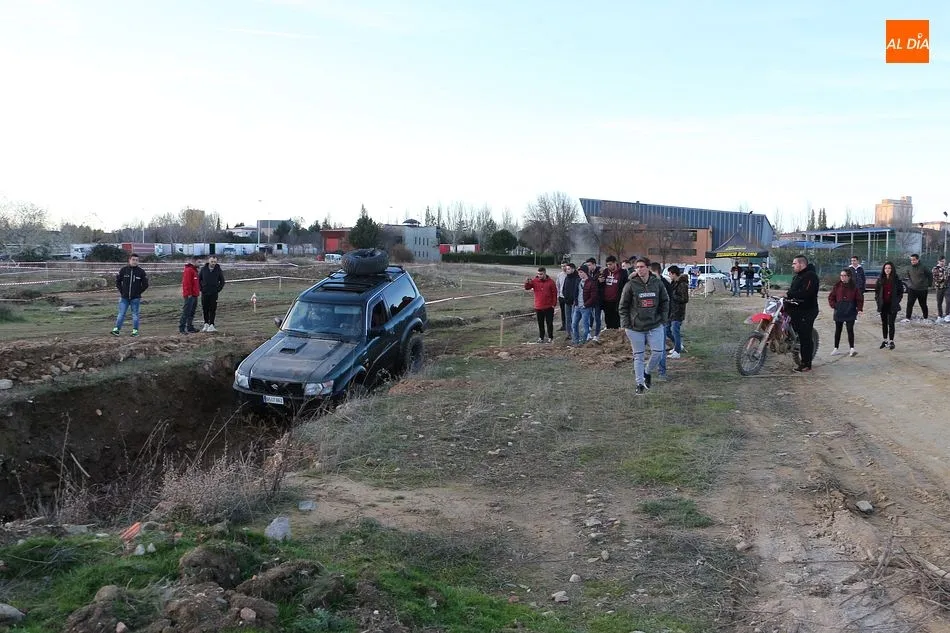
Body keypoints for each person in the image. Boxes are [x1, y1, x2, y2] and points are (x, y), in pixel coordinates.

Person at [619, 257, 669, 394]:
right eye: (637, 267)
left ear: (648, 267)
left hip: (655, 324)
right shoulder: (630, 285)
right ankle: (639, 384)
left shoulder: (657, 283)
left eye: (641, 266)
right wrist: (626, 324)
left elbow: (665, 301)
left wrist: (663, 319)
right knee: (638, 356)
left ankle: (647, 372)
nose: (639, 269)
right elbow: (623, 306)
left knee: (658, 353)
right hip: (635, 327)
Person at [785, 255, 820, 373]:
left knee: (805, 336)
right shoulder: (797, 277)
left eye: (794, 263)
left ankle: (806, 363)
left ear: (801, 264)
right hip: (795, 309)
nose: (792, 265)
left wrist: (790, 294)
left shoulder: (811, 276)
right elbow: (792, 292)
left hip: (807, 310)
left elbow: (806, 293)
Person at [827, 268, 864, 357]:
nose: (842, 277)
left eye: (844, 276)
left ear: (849, 277)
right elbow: (831, 297)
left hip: (850, 311)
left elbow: (859, 299)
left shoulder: (854, 287)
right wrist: (835, 306)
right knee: (838, 330)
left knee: (850, 330)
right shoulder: (837, 286)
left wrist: (859, 309)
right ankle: (836, 348)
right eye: (841, 275)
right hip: (839, 311)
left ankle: (852, 348)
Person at [111, 253, 149, 337]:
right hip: (124, 298)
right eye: (133, 260)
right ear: (129, 260)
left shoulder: (141, 272)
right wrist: (122, 291)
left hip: (135, 298)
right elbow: (118, 282)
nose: (135, 262)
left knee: (135, 315)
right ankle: (117, 329)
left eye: (136, 260)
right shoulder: (124, 270)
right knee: (121, 314)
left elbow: (146, 285)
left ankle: (135, 331)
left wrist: (138, 292)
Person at [875, 261, 904, 350]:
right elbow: (877, 292)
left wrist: (897, 301)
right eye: (886, 268)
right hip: (883, 305)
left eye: (889, 268)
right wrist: (878, 300)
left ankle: (891, 341)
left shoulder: (896, 280)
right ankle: (885, 340)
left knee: (891, 323)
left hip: (892, 305)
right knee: (884, 323)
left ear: (892, 269)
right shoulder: (880, 279)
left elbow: (900, 292)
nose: (887, 270)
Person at [524, 266, 557, 343]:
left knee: (549, 323)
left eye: (541, 274)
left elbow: (554, 293)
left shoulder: (551, 282)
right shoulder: (535, 281)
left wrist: (553, 304)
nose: (539, 276)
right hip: (538, 306)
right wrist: (527, 282)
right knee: (540, 323)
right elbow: (527, 287)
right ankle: (541, 337)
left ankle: (550, 337)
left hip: (549, 307)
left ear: (545, 273)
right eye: (538, 274)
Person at [198, 255, 226, 332]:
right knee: (205, 309)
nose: (213, 263)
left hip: (214, 293)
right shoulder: (203, 269)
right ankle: (206, 324)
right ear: (208, 261)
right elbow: (199, 280)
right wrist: (201, 289)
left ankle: (212, 325)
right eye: (212, 261)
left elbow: (222, 281)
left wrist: (218, 289)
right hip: (205, 293)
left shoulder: (218, 270)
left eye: (215, 262)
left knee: (212, 309)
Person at [598, 255, 628, 329]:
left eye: (610, 264)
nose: (609, 266)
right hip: (606, 301)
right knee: (608, 320)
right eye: (607, 264)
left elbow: (625, 286)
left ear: (615, 263)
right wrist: (599, 281)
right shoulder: (605, 272)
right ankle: (609, 334)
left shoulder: (622, 272)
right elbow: (599, 284)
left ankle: (615, 337)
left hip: (616, 301)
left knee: (616, 321)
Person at [666, 265, 689, 359]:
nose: (669, 276)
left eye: (670, 274)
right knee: (667, 330)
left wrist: (672, 296)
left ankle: (677, 351)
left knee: (675, 330)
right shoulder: (674, 283)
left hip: (678, 311)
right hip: (671, 311)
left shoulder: (682, 284)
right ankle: (678, 344)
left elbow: (684, 299)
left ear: (674, 274)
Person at [902, 253, 931, 321]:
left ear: (918, 260)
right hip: (912, 289)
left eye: (914, 260)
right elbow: (908, 276)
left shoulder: (924, 267)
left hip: (922, 289)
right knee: (910, 304)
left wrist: (928, 284)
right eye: (911, 260)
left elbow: (930, 275)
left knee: (923, 304)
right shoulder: (909, 268)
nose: (912, 261)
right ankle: (908, 318)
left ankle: (925, 317)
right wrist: (910, 284)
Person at [178, 255, 201, 334]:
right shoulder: (189, 270)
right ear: (194, 262)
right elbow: (187, 283)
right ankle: (182, 328)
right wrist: (189, 294)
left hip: (194, 295)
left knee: (191, 312)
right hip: (190, 295)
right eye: (198, 262)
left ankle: (190, 327)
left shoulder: (194, 271)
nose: (200, 264)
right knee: (186, 311)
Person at [560, 263, 580, 341]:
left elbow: (578, 290)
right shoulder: (566, 278)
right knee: (568, 318)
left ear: (573, 269)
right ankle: (568, 334)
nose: (566, 270)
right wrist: (565, 297)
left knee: (574, 319)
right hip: (567, 301)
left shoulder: (577, 278)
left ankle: (575, 333)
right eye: (566, 269)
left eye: (568, 269)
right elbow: (564, 288)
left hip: (575, 302)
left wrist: (575, 299)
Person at [932, 256, 948, 321]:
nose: (942, 263)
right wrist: (945, 278)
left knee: (948, 301)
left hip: (946, 287)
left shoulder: (946, 268)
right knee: (939, 302)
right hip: (939, 287)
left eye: (943, 261)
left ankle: (947, 315)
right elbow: (936, 278)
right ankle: (940, 315)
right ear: (938, 261)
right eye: (941, 261)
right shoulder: (935, 268)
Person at [555, 262, 569, 331]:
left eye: (565, 266)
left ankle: (569, 325)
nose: (563, 267)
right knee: (563, 312)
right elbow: (557, 286)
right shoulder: (559, 275)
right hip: (561, 296)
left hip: (568, 297)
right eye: (562, 266)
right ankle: (564, 325)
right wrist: (558, 295)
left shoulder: (569, 275)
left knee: (568, 312)